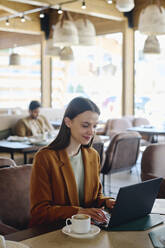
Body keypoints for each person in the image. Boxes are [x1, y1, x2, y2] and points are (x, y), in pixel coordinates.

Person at [29, 97, 115, 227]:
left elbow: (96, 197)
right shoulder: (45, 158)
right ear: (68, 122)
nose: (91, 132)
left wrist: (108, 202)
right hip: (53, 232)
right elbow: (40, 211)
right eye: (85, 125)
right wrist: (78, 212)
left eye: (95, 126)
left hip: (86, 230)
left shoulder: (93, 156)